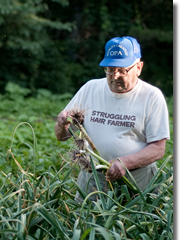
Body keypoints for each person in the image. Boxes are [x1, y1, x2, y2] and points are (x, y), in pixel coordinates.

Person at [55, 36, 170, 202]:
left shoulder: (151, 96)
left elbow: (158, 148)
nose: (115, 76)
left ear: (138, 67)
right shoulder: (90, 88)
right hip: (94, 177)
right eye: (110, 69)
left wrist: (125, 162)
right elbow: (62, 136)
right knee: (86, 223)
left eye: (122, 70)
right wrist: (62, 124)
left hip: (138, 179)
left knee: (135, 224)